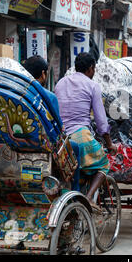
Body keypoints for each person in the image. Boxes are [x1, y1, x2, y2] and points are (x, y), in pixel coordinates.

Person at [55, 50, 117, 211]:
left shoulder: (60, 82)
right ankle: (88, 198)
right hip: (80, 136)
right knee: (103, 163)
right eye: (94, 69)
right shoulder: (92, 86)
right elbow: (101, 121)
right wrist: (110, 144)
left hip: (60, 138)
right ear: (90, 68)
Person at [22, 55, 82, 191]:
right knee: (75, 147)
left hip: (18, 143)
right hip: (43, 146)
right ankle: (75, 190)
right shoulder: (48, 96)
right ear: (43, 74)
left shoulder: (17, 93)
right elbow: (59, 129)